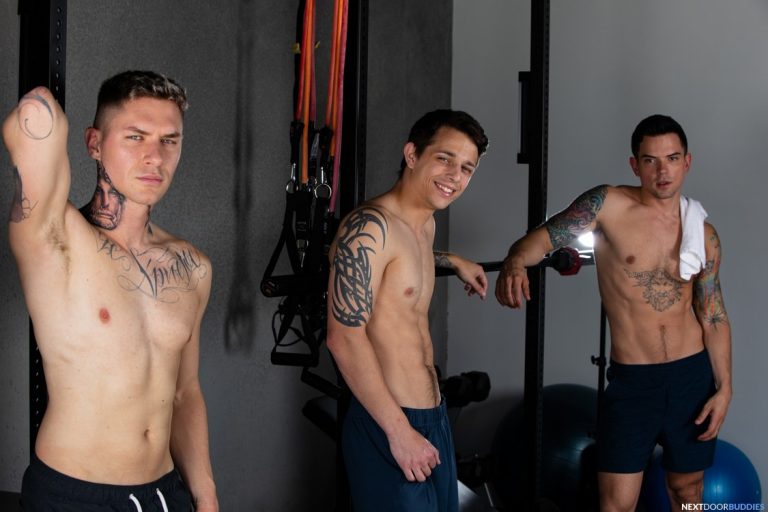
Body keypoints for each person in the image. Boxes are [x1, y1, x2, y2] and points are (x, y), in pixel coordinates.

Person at [2, 70, 218, 511]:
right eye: (135, 137)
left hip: (163, 493)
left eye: (169, 140)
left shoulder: (192, 267)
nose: (155, 157)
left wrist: (206, 494)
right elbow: (34, 118)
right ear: (94, 143)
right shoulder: (56, 241)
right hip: (75, 494)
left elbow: (185, 393)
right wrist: (41, 102)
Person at [495, 114, 732, 511]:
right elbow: (545, 237)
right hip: (634, 381)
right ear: (634, 165)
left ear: (687, 162)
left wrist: (724, 388)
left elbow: (713, 315)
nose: (662, 171)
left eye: (672, 159)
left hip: (691, 378)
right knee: (616, 504)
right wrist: (517, 260)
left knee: (688, 492)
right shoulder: (607, 206)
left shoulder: (703, 234)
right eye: (650, 160)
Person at [326, 109, 490, 512]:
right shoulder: (367, 228)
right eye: (444, 158)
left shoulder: (423, 226)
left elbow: (402, 264)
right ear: (412, 154)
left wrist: (453, 260)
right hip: (388, 422)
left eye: (466, 168)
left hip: (433, 418)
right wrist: (399, 433)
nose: (455, 175)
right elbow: (343, 338)